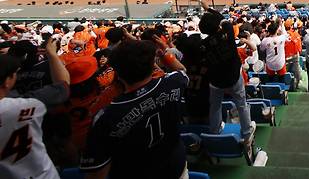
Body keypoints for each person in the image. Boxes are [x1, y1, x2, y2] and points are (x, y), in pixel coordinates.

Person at [80, 39, 189, 179]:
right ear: (152, 66)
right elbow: (182, 71)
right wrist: (163, 55)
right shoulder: (172, 84)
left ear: (117, 72)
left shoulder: (106, 116)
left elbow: (96, 175)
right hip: (176, 168)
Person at [0, 37, 70, 179]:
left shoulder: (20, 100)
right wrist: (52, 54)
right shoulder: (28, 104)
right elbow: (63, 86)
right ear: (7, 80)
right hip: (40, 170)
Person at [199, 14, 254, 140]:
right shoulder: (228, 33)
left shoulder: (203, 44)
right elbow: (223, 19)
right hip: (234, 78)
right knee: (241, 105)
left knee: (215, 107)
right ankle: (247, 132)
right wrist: (209, 9)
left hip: (216, 81)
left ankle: (215, 131)